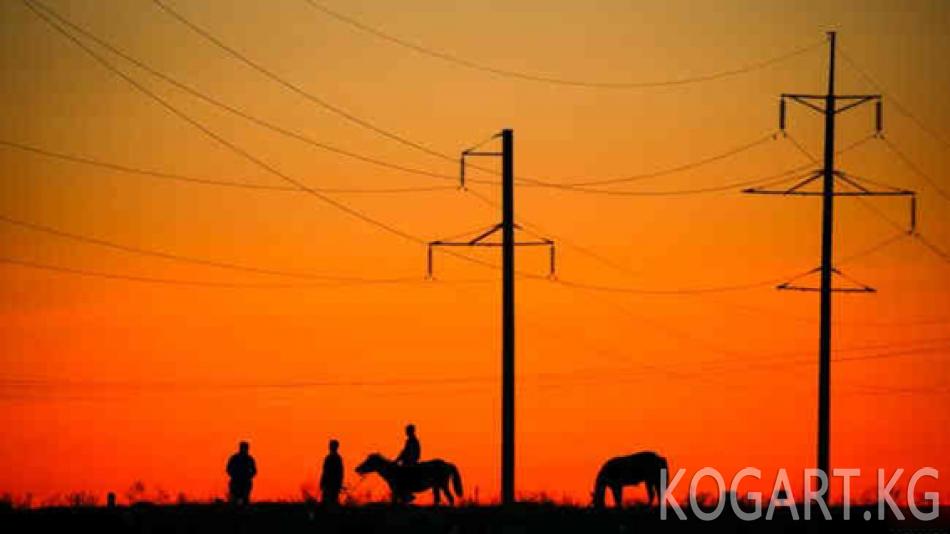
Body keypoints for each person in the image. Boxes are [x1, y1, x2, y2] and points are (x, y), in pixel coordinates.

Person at [226, 441, 257, 505]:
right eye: (243, 448)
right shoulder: (234, 458)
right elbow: (228, 469)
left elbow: (254, 471)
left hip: (245, 482)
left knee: (245, 500)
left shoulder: (250, 459)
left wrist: (248, 477)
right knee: (234, 500)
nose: (244, 449)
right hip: (236, 482)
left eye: (245, 448)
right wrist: (234, 476)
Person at [319, 439, 344, 506]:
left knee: (332, 502)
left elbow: (340, 472)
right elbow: (324, 471)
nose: (330, 447)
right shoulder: (328, 457)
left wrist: (339, 483)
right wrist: (322, 482)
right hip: (327, 484)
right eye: (330, 445)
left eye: (332, 446)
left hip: (333, 484)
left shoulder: (337, 458)